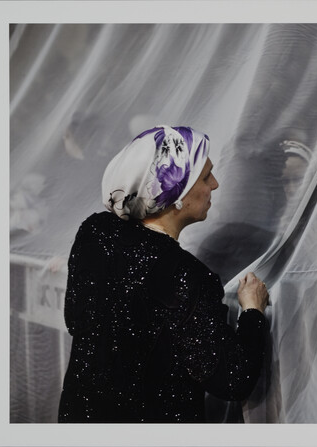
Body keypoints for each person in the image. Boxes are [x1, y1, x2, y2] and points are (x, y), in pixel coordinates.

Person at [58, 125, 270, 423]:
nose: (216, 185)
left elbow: (75, 318)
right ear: (177, 191)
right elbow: (232, 380)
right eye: (206, 176)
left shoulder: (95, 232)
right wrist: (252, 311)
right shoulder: (186, 276)